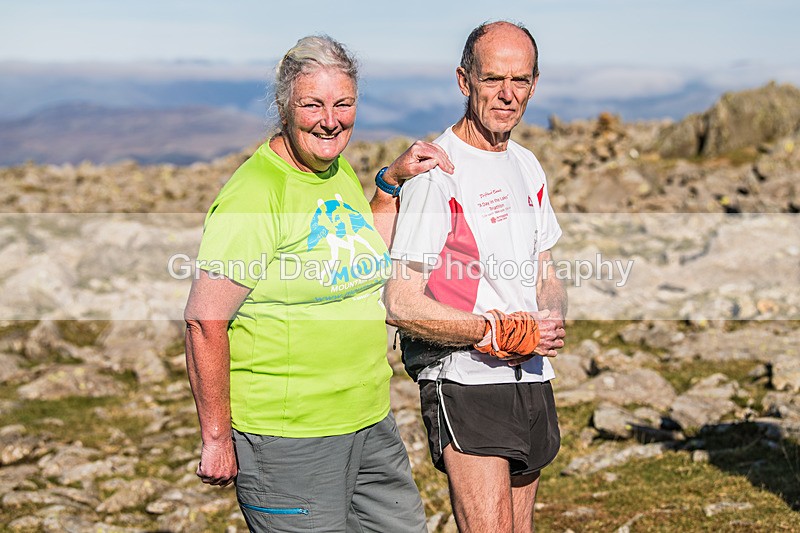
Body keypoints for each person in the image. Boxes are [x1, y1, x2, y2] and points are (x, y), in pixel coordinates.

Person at [184, 35, 452, 532]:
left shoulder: (334, 170)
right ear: (285, 105)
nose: (330, 120)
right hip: (290, 436)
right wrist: (217, 437)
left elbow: (356, 247)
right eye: (313, 104)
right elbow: (205, 320)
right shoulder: (257, 193)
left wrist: (390, 184)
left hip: (368, 418)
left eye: (343, 104)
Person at [384, 21, 567, 533]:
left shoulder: (528, 165)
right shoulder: (437, 172)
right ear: (465, 81)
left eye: (521, 81)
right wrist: (495, 331)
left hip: (531, 375)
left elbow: (544, 268)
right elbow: (400, 302)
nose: (508, 95)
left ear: (535, 83)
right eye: (493, 80)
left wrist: (550, 314)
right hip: (465, 378)